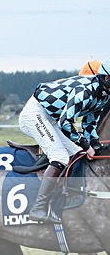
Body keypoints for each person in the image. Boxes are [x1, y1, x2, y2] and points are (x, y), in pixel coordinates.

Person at [19, 61, 110, 224]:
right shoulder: (85, 91)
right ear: (106, 78)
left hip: (53, 118)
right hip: (35, 115)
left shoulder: (103, 94)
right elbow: (66, 122)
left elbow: (89, 122)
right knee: (60, 157)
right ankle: (38, 208)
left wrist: (95, 142)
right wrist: (86, 145)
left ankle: (61, 198)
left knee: (77, 154)